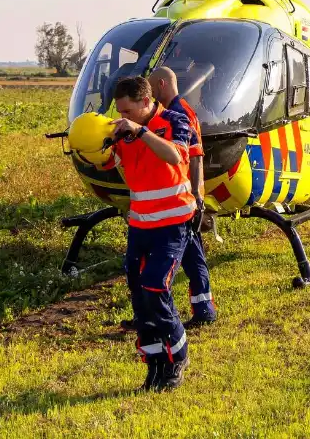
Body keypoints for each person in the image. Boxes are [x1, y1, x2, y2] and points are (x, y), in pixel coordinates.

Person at [102, 76, 196, 391]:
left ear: (145, 102)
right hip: (140, 224)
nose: (123, 116)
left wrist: (141, 133)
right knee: (139, 294)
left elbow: (176, 157)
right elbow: (109, 164)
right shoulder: (126, 130)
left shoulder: (174, 119)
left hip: (172, 223)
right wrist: (97, 144)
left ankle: (177, 355)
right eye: (120, 111)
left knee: (156, 286)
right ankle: (155, 363)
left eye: (127, 110)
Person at [148, 66, 218, 329]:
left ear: (162, 84)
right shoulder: (168, 112)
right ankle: (203, 309)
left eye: (151, 87)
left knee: (192, 255)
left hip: (184, 199)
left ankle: (204, 311)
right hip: (178, 197)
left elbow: (196, 156)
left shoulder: (181, 113)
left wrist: (196, 196)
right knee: (191, 254)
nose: (149, 94)